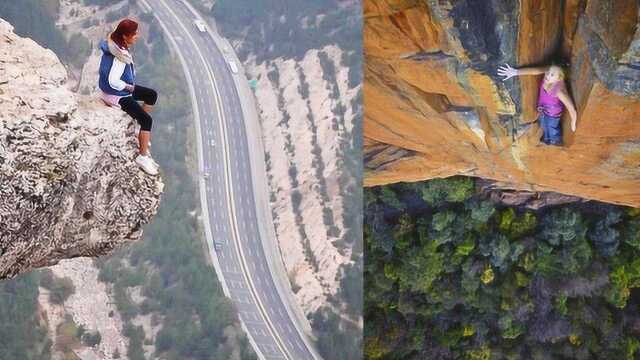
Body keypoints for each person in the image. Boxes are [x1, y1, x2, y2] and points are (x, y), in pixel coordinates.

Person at [98, 18, 160, 175]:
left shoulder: (114, 44)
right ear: (125, 36)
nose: (137, 36)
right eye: (134, 33)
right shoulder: (120, 56)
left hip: (115, 90)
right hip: (115, 94)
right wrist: (128, 87)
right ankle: (142, 156)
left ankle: (139, 129)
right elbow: (113, 81)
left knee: (151, 95)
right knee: (147, 120)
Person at [497, 63, 578, 146]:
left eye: (552, 75)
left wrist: (573, 123)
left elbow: (571, 108)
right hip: (543, 110)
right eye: (548, 72)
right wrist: (515, 72)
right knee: (543, 125)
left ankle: (555, 142)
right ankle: (547, 139)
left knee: (552, 128)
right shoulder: (549, 77)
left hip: (553, 115)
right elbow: (535, 71)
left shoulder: (559, 91)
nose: (548, 75)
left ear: (558, 78)